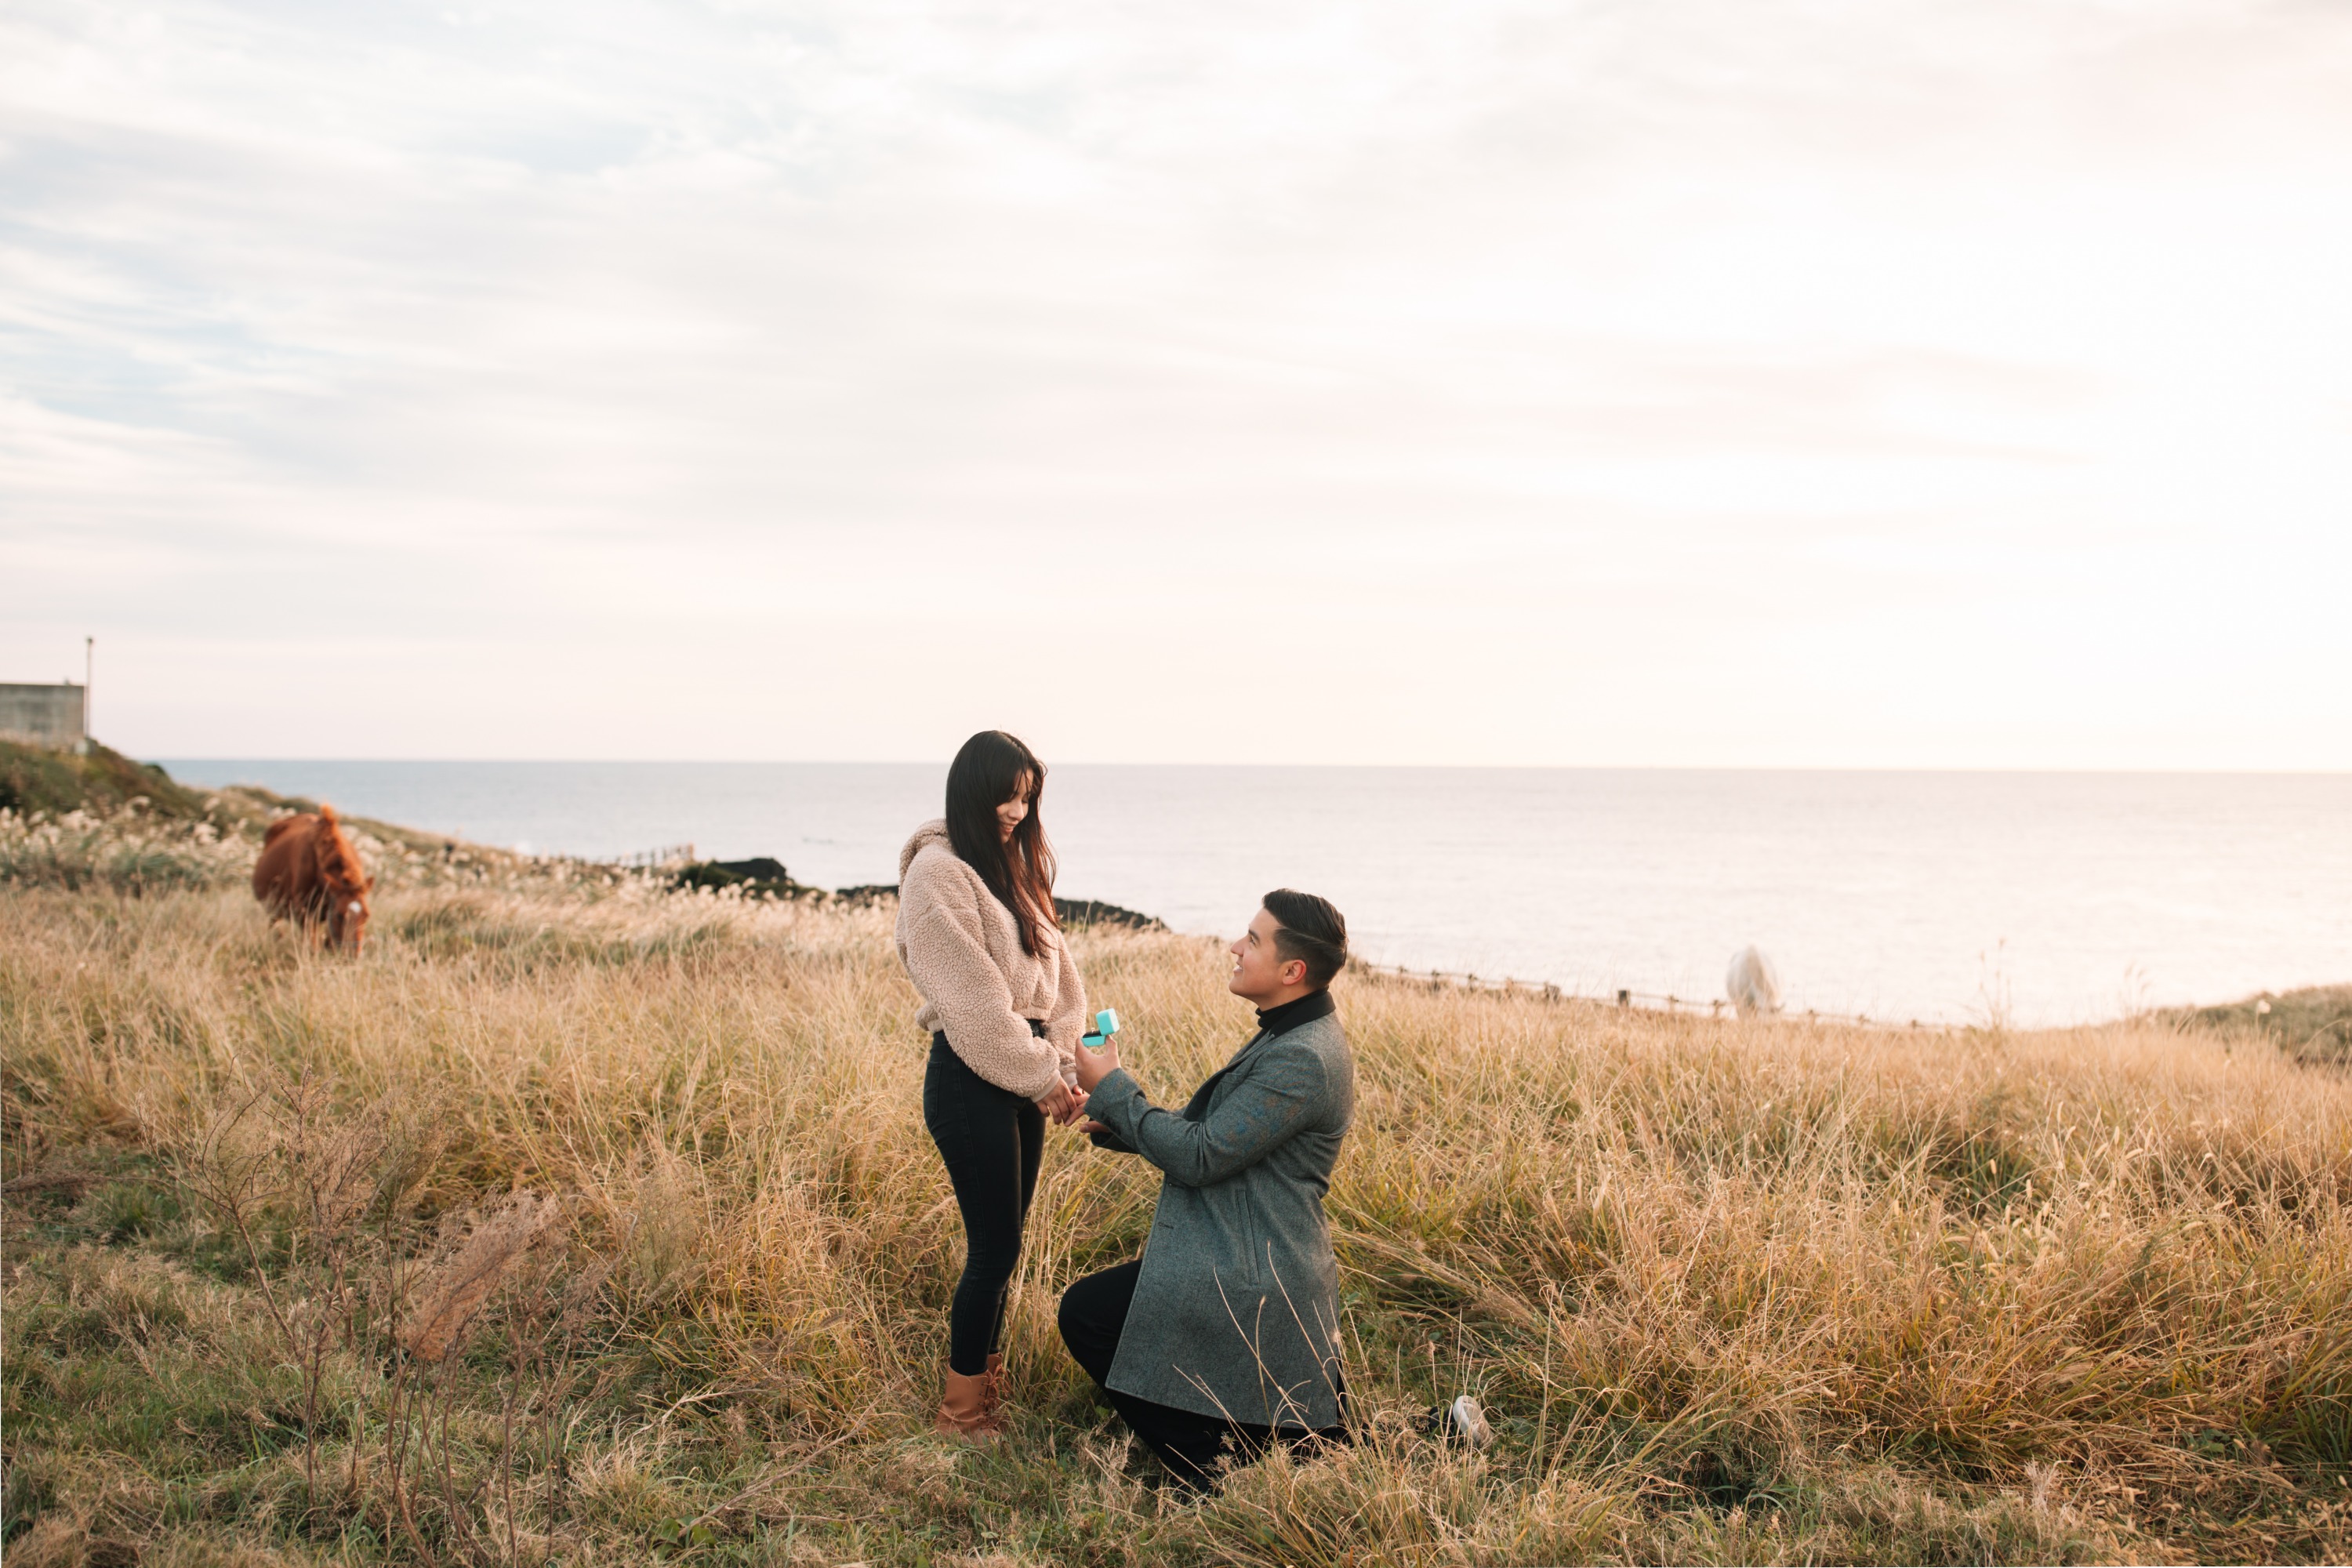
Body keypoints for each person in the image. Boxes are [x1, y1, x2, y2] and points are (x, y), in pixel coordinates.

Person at [1058, 889, 1356, 1491]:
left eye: (1252, 940)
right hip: (1245, 1241)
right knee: (1310, 1441)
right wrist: (1119, 1119)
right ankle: (1264, 1448)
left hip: (1257, 1260)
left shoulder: (1304, 1056)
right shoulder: (1291, 1031)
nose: (1235, 947)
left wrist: (1116, 1087)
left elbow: (1200, 1156)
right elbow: (1218, 1138)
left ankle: (1206, 1469)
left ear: (1291, 971)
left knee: (1087, 1315)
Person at [895, 730, 1090, 1439]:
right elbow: (975, 1006)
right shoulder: (939, 874)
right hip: (970, 1077)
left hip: (1022, 1073)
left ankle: (987, 1391)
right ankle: (961, 1414)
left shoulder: (1013, 867)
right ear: (973, 789)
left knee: (1008, 1241)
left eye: (1028, 796)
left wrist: (1064, 1067)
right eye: (1007, 793)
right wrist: (1042, 1076)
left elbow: (1059, 982)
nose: (1017, 808)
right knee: (995, 1248)